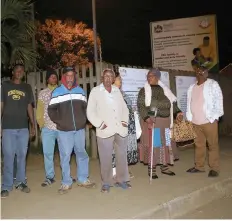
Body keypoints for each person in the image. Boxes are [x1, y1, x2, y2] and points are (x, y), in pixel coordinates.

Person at [48, 67, 95, 194]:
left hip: (79, 129)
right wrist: (60, 121)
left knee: (82, 154)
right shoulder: (57, 92)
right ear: (63, 77)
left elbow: (86, 109)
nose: (70, 78)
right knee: (65, 156)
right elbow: (51, 110)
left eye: (72, 75)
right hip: (64, 131)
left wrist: (85, 120)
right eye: (67, 76)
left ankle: (83, 178)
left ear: (74, 77)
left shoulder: (80, 91)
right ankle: (66, 182)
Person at [87, 69, 130, 193]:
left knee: (121, 156)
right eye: (105, 76)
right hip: (104, 131)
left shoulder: (117, 91)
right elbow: (90, 112)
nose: (108, 78)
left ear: (113, 79)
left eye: (110, 76)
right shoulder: (95, 91)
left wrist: (124, 122)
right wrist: (100, 124)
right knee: (105, 158)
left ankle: (121, 180)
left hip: (120, 130)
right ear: (102, 78)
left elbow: (124, 109)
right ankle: (106, 182)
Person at [137, 68, 183, 179]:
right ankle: (152, 169)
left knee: (166, 144)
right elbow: (141, 105)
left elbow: (173, 103)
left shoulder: (165, 89)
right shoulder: (144, 90)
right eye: (148, 76)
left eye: (151, 75)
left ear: (157, 77)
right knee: (155, 144)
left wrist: (178, 112)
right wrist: (147, 118)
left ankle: (164, 167)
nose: (149, 78)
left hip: (166, 122)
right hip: (153, 122)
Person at [1, 64, 36, 198]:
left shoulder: (26, 87)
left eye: (22, 70)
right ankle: (6, 186)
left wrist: (33, 124)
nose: (19, 72)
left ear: (24, 73)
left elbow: (29, 107)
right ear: (13, 71)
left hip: (23, 128)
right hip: (8, 127)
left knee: (22, 156)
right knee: (9, 156)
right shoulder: (5, 85)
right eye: (17, 70)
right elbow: (1, 104)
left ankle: (21, 182)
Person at [186, 67, 223, 177]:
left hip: (209, 121)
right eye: (199, 71)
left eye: (204, 71)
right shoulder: (191, 87)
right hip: (195, 122)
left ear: (206, 73)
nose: (201, 72)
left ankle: (214, 168)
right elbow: (189, 103)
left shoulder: (213, 84)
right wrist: (189, 118)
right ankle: (199, 166)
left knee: (212, 145)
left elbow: (219, 100)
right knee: (199, 145)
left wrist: (216, 116)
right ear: (196, 73)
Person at [112, 72, 138, 179]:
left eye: (121, 79)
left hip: (128, 125)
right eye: (118, 79)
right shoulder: (111, 93)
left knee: (124, 148)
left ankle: (124, 169)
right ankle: (114, 171)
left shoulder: (122, 92)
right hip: (117, 125)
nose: (120, 81)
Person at [36, 69, 59, 187]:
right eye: (51, 77)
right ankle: (50, 176)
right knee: (48, 153)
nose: (53, 79)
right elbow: (39, 110)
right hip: (47, 128)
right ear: (47, 79)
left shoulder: (62, 91)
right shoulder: (42, 93)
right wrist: (41, 124)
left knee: (65, 153)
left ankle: (67, 176)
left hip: (61, 128)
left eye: (55, 77)